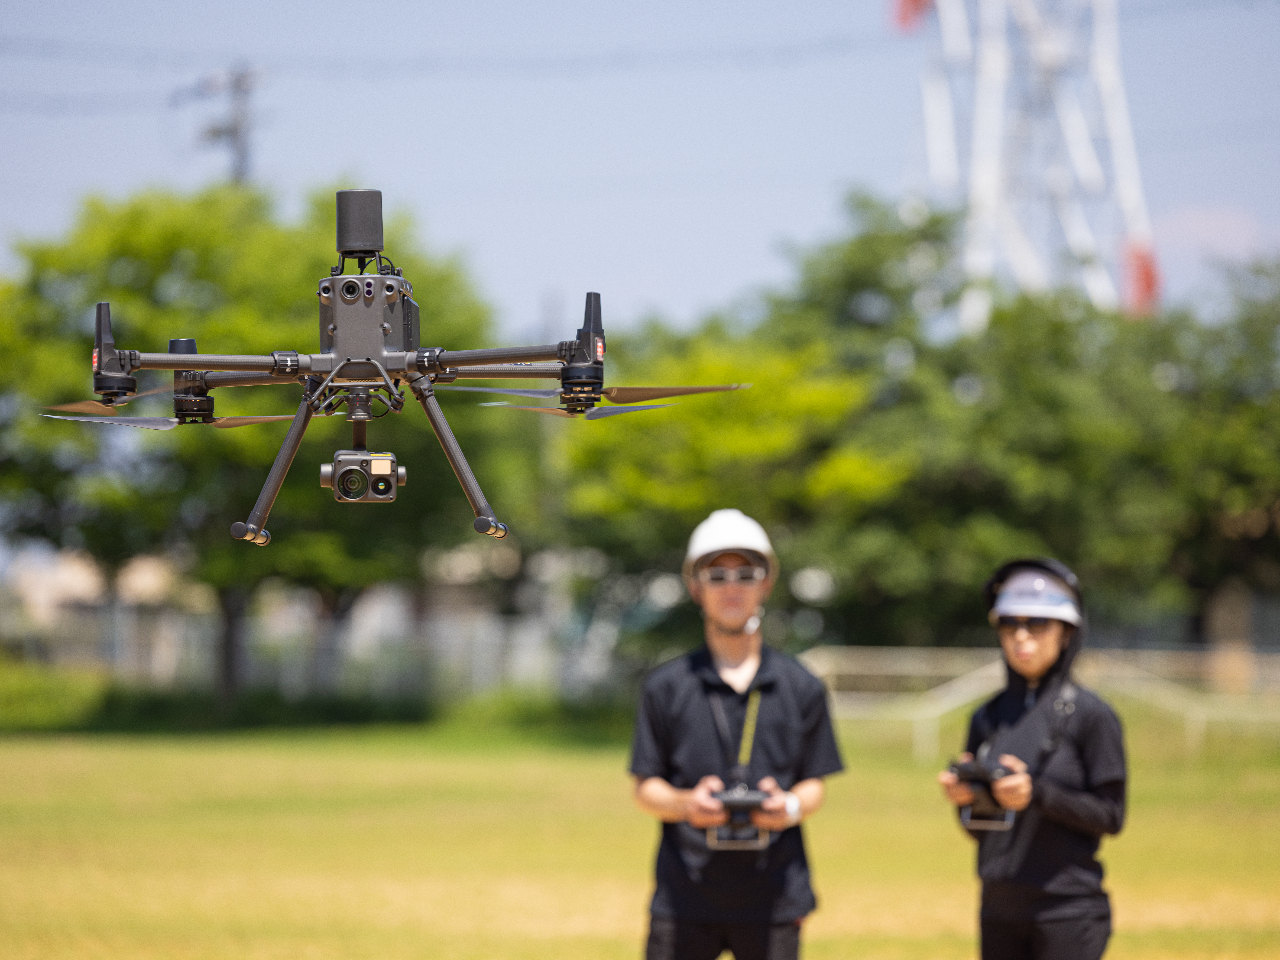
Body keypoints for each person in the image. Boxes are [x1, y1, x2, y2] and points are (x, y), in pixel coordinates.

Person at [630, 509, 844, 960]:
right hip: (684, 895)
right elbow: (645, 788)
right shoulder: (666, 685)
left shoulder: (800, 684)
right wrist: (687, 804)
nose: (732, 586)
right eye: (717, 574)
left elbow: (814, 785)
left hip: (775, 895)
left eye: (746, 574)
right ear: (695, 586)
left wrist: (785, 807)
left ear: (765, 584)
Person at [938, 558, 1127, 960]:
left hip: (1067, 909)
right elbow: (981, 831)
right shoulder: (986, 716)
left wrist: (1037, 794)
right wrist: (967, 800)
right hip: (999, 907)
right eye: (1009, 625)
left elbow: (1111, 816)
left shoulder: (1093, 715)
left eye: (1037, 624)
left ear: (1067, 633)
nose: (1021, 637)